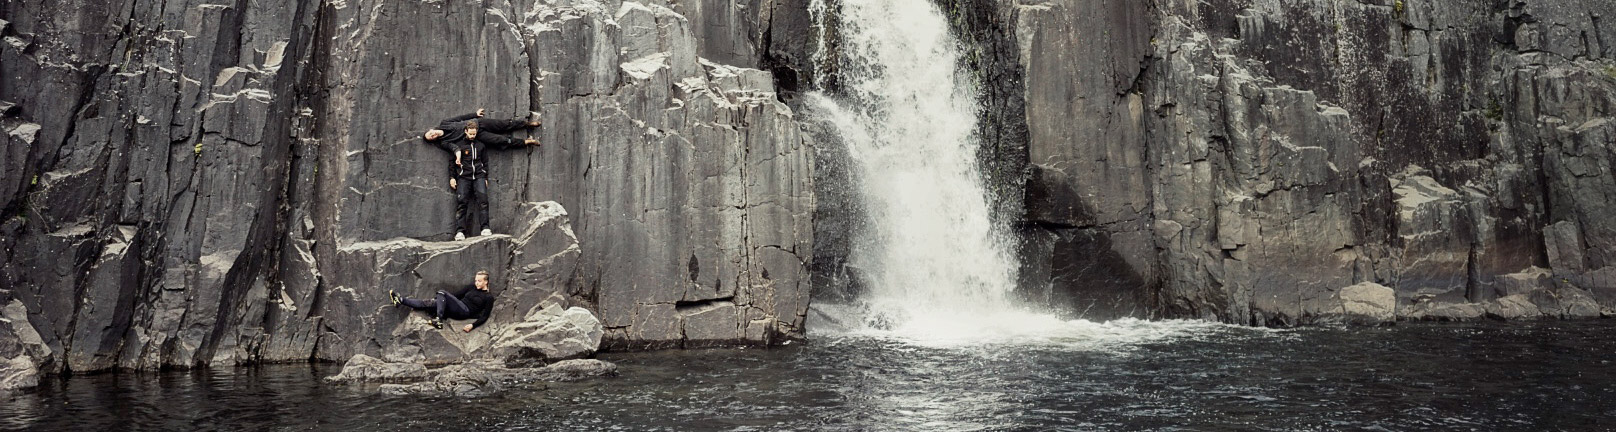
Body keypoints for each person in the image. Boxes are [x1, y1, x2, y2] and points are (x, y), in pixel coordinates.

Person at [423, 109, 542, 240]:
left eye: (430, 133)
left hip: (478, 124)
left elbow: (460, 117)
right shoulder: (445, 142)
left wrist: (475, 114)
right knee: (499, 140)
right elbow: (454, 148)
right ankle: (526, 142)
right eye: (431, 137)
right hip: (476, 136)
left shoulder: (444, 123)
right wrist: (458, 156)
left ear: (431, 129)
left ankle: (526, 124)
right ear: (434, 139)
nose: (433, 135)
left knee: (502, 125)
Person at [390, 270, 497, 332]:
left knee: (442, 292)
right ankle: (400, 300)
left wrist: (473, 325)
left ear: (486, 282)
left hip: (464, 311)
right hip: (457, 307)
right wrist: (440, 301)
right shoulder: (472, 287)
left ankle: (439, 320)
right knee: (430, 303)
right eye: (476, 280)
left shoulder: (488, 297)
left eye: (479, 281)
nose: (476, 283)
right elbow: (456, 295)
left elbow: (485, 316)